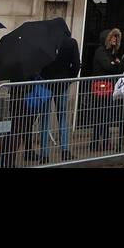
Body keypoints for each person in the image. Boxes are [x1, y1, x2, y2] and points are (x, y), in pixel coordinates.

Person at [38, 31, 80, 163]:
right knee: (62, 118)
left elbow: (38, 63)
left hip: (45, 84)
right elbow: (76, 65)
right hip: (62, 85)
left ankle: (44, 154)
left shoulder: (45, 40)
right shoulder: (71, 42)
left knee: (45, 119)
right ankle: (65, 150)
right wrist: (69, 79)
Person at [88, 28, 124, 152]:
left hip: (108, 86)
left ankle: (104, 141)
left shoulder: (112, 53)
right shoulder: (101, 51)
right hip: (100, 86)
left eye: (116, 37)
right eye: (113, 36)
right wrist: (116, 64)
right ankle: (96, 142)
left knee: (105, 115)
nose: (115, 39)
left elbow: (115, 67)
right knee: (100, 114)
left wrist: (115, 64)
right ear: (107, 39)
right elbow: (109, 66)